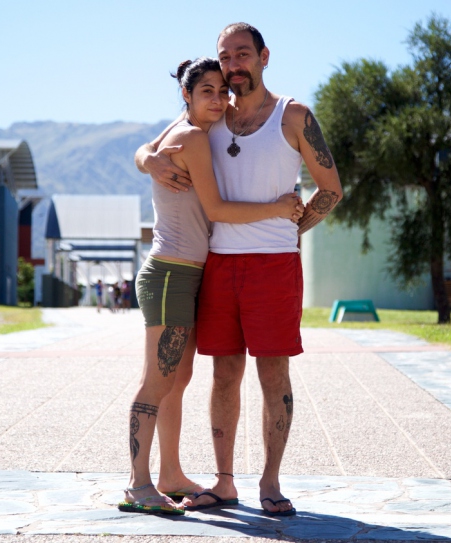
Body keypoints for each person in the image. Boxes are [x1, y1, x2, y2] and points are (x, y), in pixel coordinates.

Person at [136, 23, 342, 516]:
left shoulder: (293, 115)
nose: (232, 65)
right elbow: (153, 145)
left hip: (274, 267)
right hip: (219, 266)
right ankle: (224, 482)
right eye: (225, 56)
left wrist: (296, 229)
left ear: (264, 57)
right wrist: (147, 161)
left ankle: (270, 481)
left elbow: (331, 188)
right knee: (223, 374)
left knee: (274, 373)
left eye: (242, 54)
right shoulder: (212, 114)